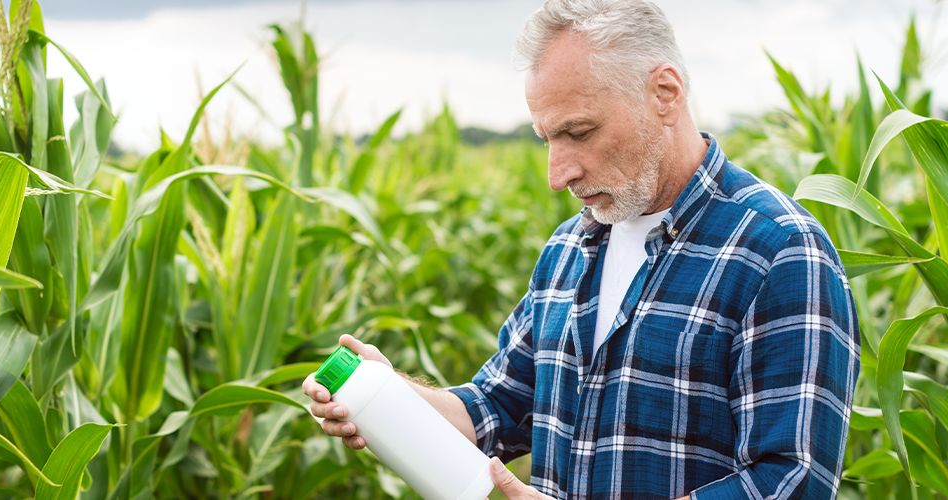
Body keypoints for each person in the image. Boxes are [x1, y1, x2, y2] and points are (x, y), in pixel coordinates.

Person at [303, 0, 861, 498]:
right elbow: (497, 407)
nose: (556, 173)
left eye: (579, 132)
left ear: (665, 94)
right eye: (547, 138)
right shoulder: (571, 246)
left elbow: (791, 481)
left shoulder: (779, 252)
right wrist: (393, 397)